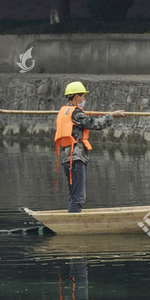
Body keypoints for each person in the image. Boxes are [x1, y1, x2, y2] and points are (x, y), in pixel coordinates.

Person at [55, 81, 125, 213]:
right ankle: (74, 224)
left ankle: (72, 219)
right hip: (74, 159)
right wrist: (111, 116)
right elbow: (94, 124)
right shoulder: (75, 113)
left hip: (67, 158)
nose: (84, 100)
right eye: (83, 96)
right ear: (76, 97)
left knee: (73, 195)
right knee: (77, 197)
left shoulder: (64, 111)